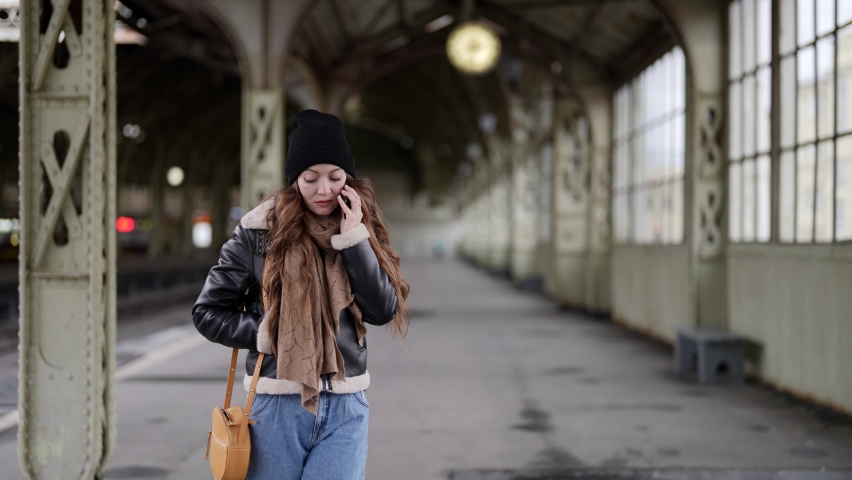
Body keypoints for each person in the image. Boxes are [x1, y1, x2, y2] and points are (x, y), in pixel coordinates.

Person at [193, 109, 411, 479]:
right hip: (276, 406)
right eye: (311, 178)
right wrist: (268, 332)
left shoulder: (359, 226)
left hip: (345, 404)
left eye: (335, 177)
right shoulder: (258, 234)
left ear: (348, 178)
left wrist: (354, 239)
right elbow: (208, 312)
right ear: (295, 178)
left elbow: (381, 310)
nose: (324, 190)